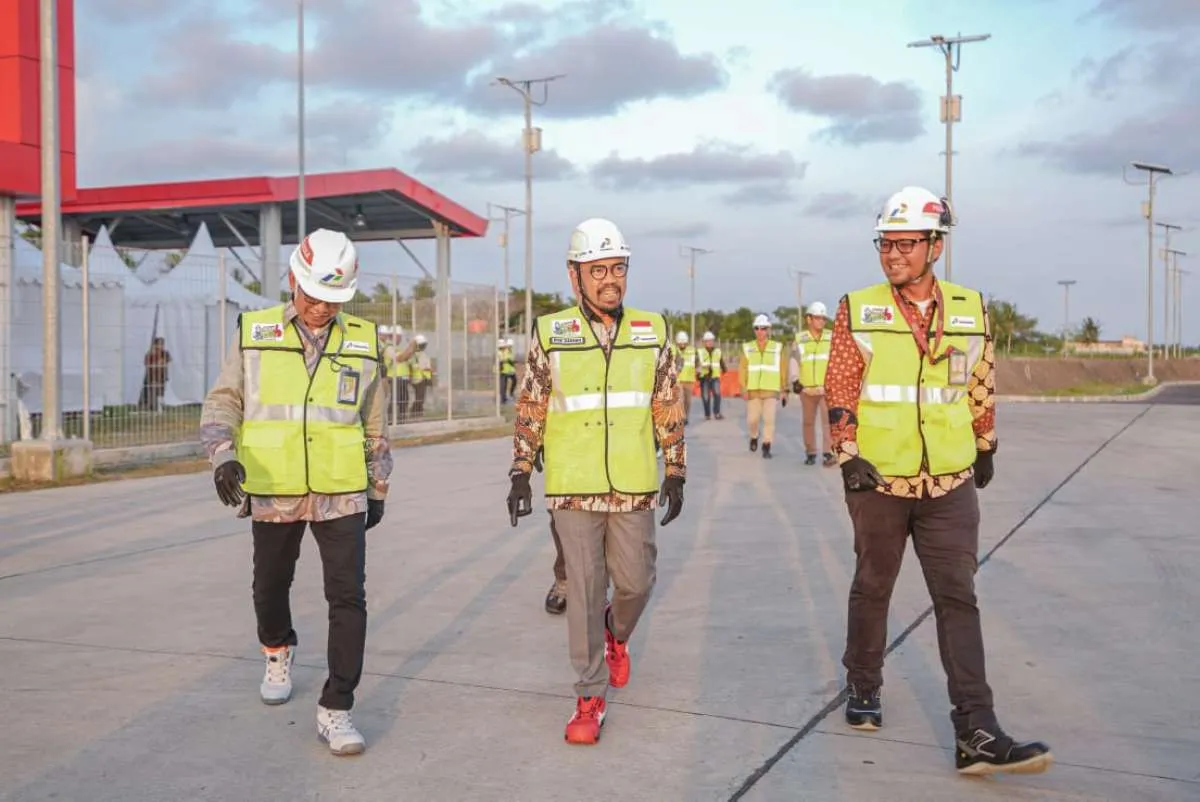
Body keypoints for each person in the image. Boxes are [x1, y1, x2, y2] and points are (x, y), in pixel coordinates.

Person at [826, 186, 1052, 776]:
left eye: (905, 243)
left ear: (935, 245)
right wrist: (847, 454)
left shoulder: (971, 309)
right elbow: (842, 386)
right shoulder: (860, 308)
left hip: (950, 483)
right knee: (874, 585)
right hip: (880, 479)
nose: (893, 254)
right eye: (886, 242)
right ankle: (864, 682)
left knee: (958, 598)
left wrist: (985, 442)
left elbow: (979, 379)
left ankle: (976, 727)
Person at [199, 228, 391, 757]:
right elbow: (223, 401)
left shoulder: (365, 343)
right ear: (293, 280)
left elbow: (374, 424)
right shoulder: (254, 332)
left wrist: (378, 486)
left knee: (348, 596)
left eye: (333, 299)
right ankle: (277, 648)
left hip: (341, 489)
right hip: (274, 485)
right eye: (313, 296)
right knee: (270, 586)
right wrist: (223, 456)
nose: (321, 308)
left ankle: (337, 707)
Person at [506, 217, 686, 745]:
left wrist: (674, 468)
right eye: (598, 269)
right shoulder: (551, 331)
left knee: (635, 583)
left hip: (632, 481)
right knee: (583, 592)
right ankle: (588, 696)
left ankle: (617, 632)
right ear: (575, 274)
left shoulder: (652, 330)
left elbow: (666, 402)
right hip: (572, 483)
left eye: (617, 268)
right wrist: (521, 469)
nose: (610, 279)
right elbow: (533, 403)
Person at [739, 314, 789, 458]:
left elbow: (783, 369)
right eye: (757, 328)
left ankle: (767, 445)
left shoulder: (777, 348)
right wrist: (743, 387)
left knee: (769, 419)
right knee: (752, 420)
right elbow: (742, 369)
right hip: (753, 390)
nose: (760, 331)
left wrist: (784, 389)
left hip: (771, 390)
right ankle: (754, 436)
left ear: (768, 330)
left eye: (763, 328)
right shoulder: (747, 348)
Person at [793, 302, 835, 466]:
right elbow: (794, 361)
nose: (821, 322)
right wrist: (794, 380)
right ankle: (810, 452)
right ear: (809, 319)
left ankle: (828, 453)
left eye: (823, 318)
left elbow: (836, 361)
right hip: (807, 390)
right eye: (817, 318)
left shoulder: (831, 337)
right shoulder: (800, 339)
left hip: (826, 389)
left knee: (828, 422)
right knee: (808, 422)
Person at [697, 331, 725, 420]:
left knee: (717, 394)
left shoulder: (718, 351)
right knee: (705, 396)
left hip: (715, 377)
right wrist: (697, 373)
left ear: (713, 341)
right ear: (704, 342)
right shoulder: (700, 352)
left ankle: (717, 413)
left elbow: (721, 361)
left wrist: (724, 368)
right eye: (707, 341)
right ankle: (707, 414)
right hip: (704, 378)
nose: (709, 342)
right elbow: (696, 364)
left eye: (711, 341)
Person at [673, 330, 697, 424]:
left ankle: (685, 417)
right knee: (680, 399)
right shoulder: (673, 350)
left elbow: (697, 362)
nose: (682, 344)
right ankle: (680, 417)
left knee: (688, 401)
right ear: (677, 342)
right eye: (680, 342)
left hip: (690, 379)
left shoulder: (692, 350)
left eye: (684, 342)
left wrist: (698, 369)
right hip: (678, 379)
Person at [409, 335, 432, 418]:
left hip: (422, 378)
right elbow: (422, 367)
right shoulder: (416, 355)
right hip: (419, 379)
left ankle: (418, 412)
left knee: (420, 398)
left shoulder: (420, 355)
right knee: (420, 398)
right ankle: (415, 412)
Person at [499, 338, 518, 403]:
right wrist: (507, 361)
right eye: (509, 345)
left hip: (510, 370)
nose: (509, 347)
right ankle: (503, 398)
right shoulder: (504, 351)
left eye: (510, 346)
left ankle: (511, 393)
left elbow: (511, 359)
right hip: (504, 370)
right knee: (503, 385)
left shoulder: (510, 351)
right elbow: (503, 359)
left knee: (514, 381)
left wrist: (513, 362)